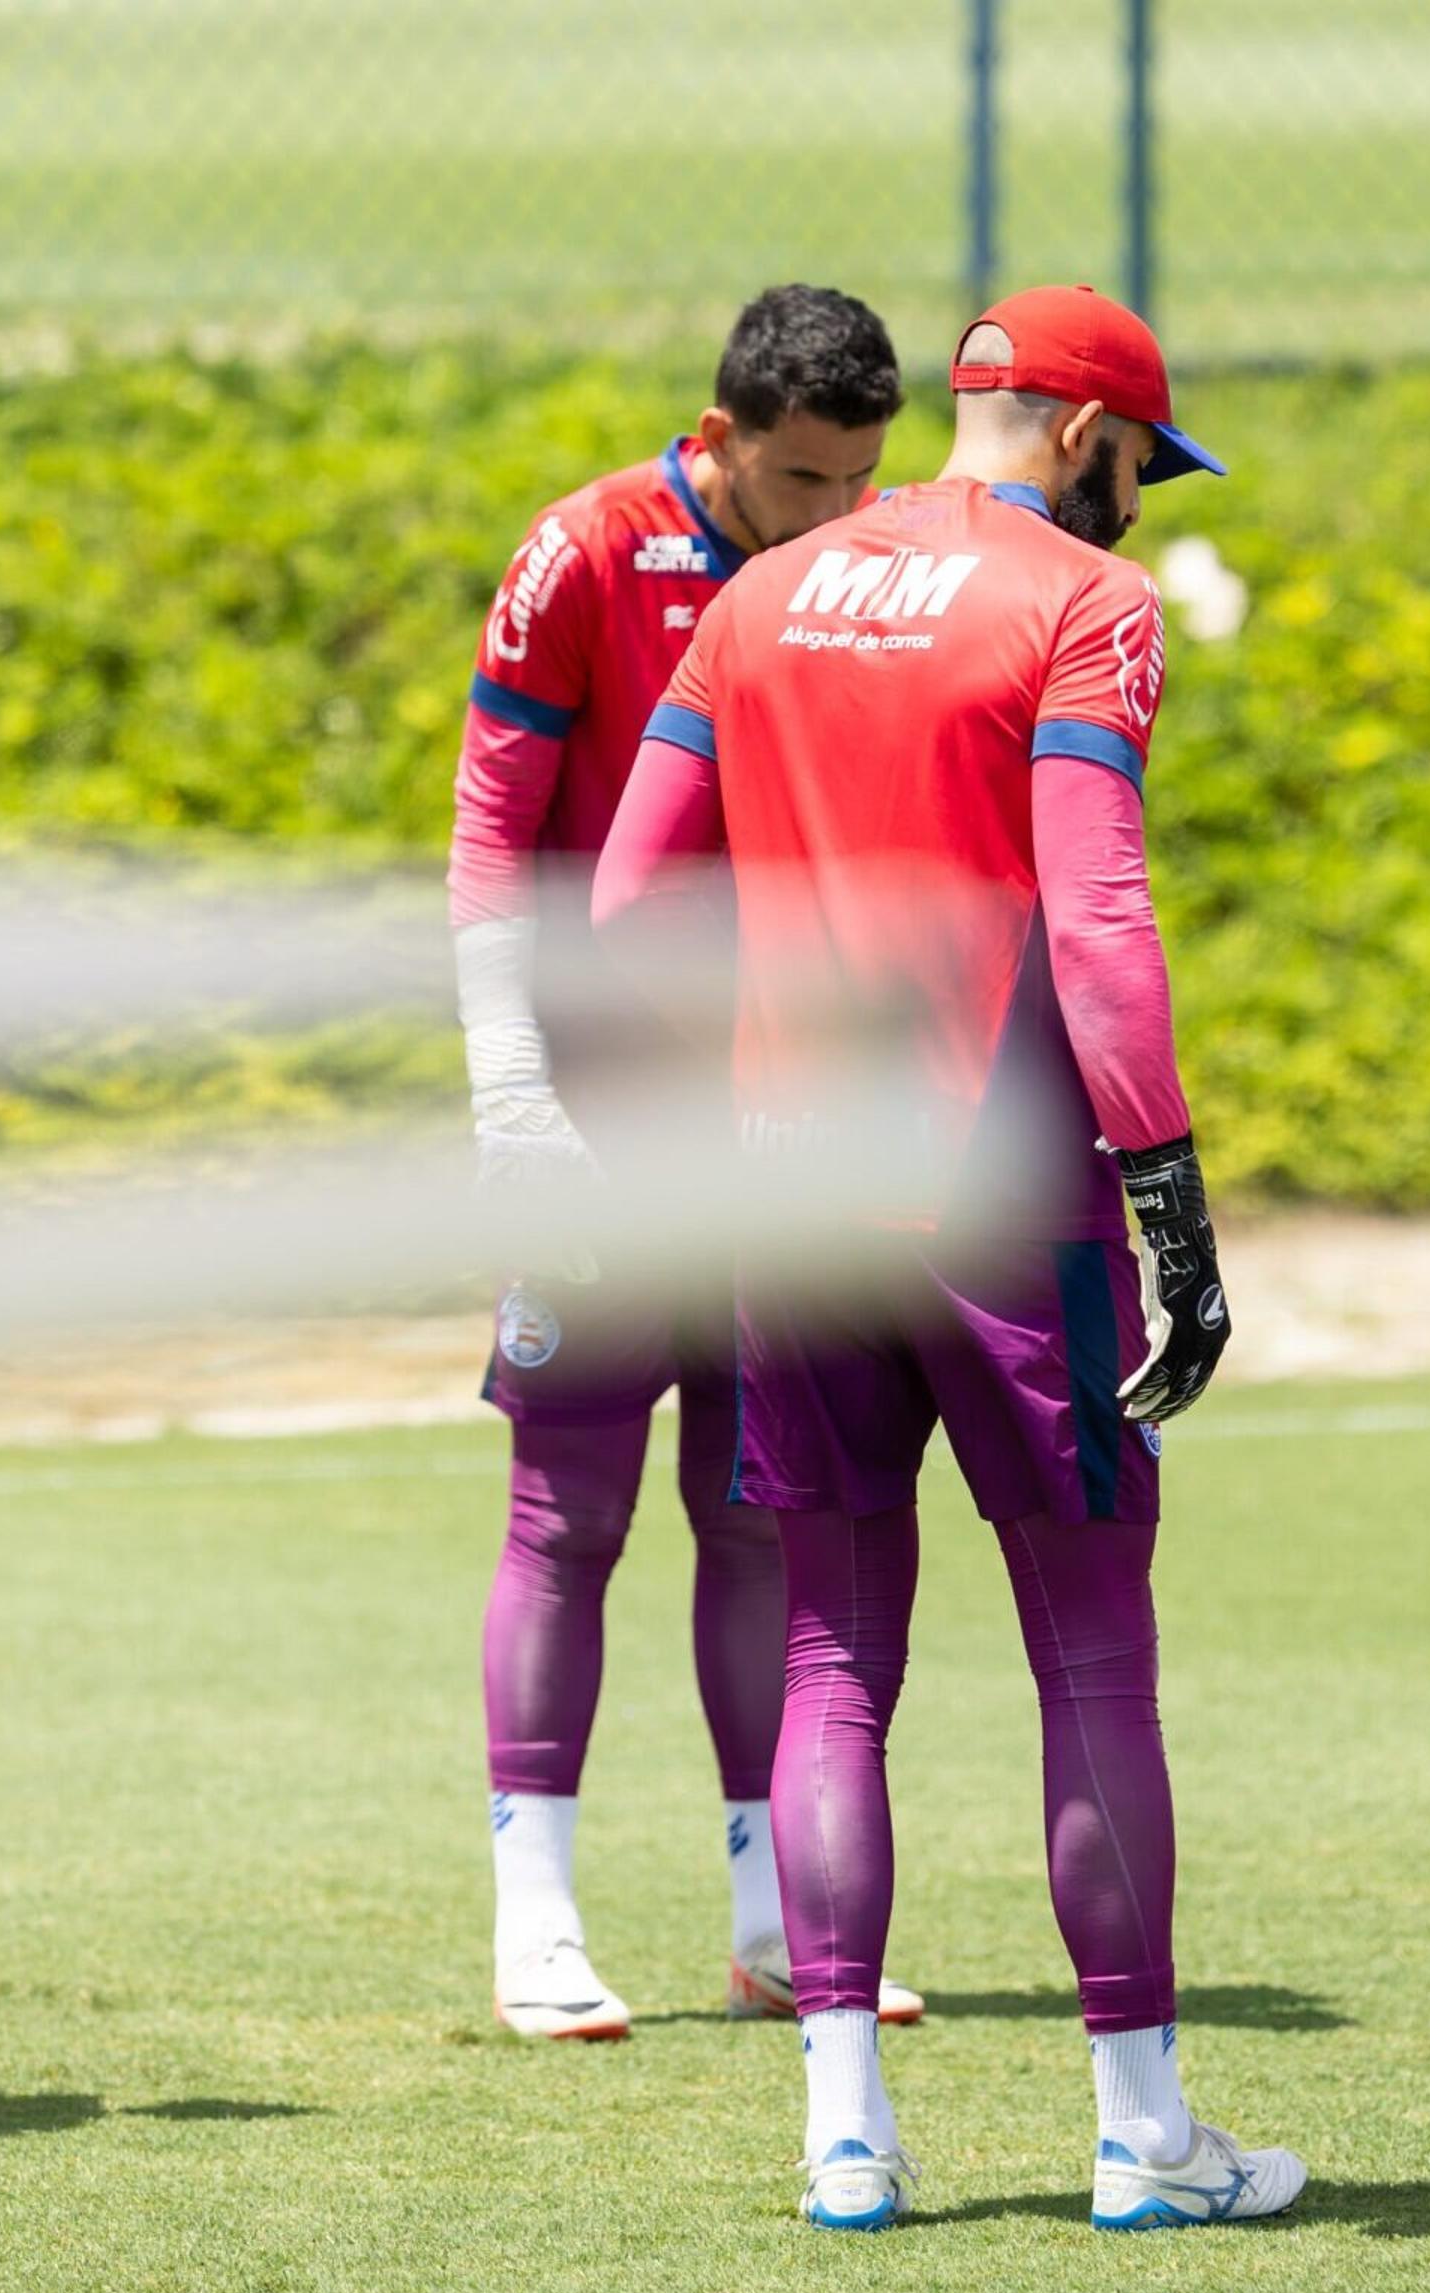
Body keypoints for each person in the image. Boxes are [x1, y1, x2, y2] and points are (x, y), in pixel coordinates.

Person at [593, 285, 1299, 2235]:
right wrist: (1168, 1190)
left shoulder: (759, 595)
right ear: (1082, 432)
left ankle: (844, 2134)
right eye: (1144, 463)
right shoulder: (1086, 606)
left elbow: (633, 898)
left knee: (831, 1649)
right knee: (1091, 1648)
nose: (1143, 504)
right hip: (1012, 1205)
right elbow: (1097, 912)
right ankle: (1144, 2135)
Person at [449, 284, 928, 2042]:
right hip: (601, 1125)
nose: (837, 516)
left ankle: (770, 1917)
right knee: (570, 1516)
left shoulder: (871, 571)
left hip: (779, 1130)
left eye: (866, 478)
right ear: (719, 442)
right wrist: (512, 1086)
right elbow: (494, 839)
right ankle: (538, 1916)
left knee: (762, 1516)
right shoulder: (582, 555)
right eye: (805, 481)